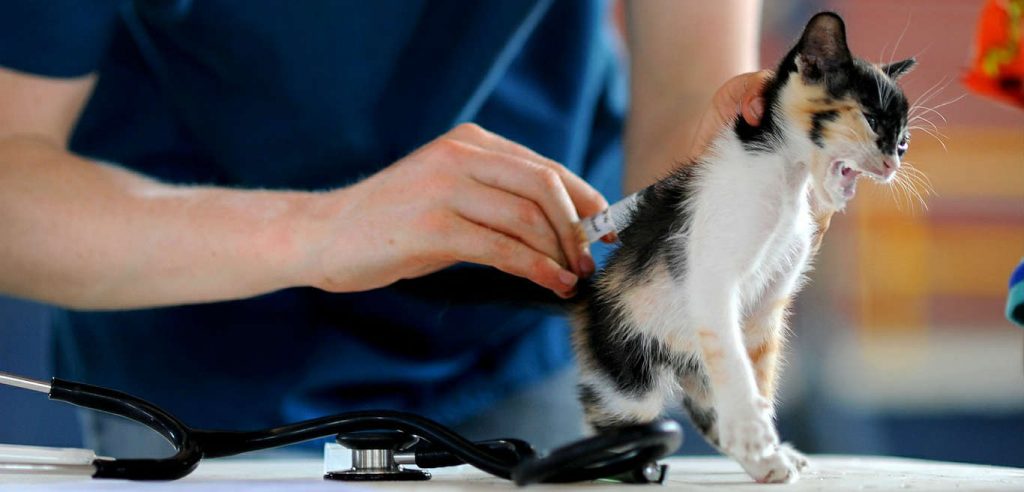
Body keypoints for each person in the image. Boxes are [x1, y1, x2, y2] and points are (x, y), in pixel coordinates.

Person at [0, 0, 767, 456]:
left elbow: (686, 97)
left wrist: (714, 218)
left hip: (528, 334)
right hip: (191, 327)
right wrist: (320, 231)